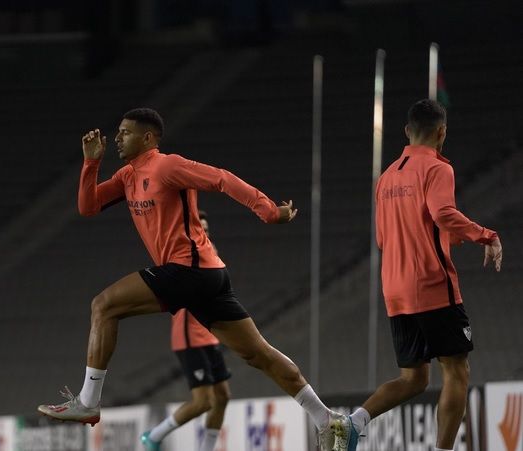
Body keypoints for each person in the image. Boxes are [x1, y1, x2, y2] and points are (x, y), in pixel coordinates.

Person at [37, 108, 340, 449]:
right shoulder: (127, 176)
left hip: (190, 270)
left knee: (103, 306)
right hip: (204, 277)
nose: (118, 138)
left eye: (126, 132)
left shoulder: (167, 166)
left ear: (148, 137)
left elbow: (222, 178)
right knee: (259, 355)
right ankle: (328, 419)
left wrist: (268, 210)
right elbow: (88, 206)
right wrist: (91, 163)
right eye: (118, 132)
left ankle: (88, 401)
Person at [331, 99, 503, 451]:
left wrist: (443, 235)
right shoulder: (438, 169)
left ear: (407, 132)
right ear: (442, 132)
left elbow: (383, 238)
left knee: (414, 378)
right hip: (431, 284)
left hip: (395, 289)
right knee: (457, 370)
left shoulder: (387, 177)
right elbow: (442, 212)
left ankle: (353, 423)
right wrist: (486, 235)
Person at [141, 210, 231, 451]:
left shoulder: (210, 252)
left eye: (207, 229)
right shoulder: (182, 256)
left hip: (209, 336)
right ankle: (155, 435)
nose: (205, 234)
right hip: (190, 337)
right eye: (200, 229)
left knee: (222, 397)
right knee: (203, 402)